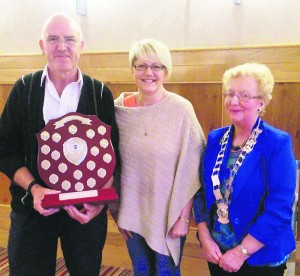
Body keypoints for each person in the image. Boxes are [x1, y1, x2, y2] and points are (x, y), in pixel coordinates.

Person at [0, 13, 119, 276]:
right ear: (41, 45)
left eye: (69, 39)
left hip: (85, 212)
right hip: (33, 208)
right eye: (53, 39)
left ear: (81, 46)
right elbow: (5, 150)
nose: (62, 46)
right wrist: (34, 188)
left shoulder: (100, 93)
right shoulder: (23, 88)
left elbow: (114, 154)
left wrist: (99, 203)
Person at [112, 38, 206, 275]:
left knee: (166, 273)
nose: (148, 73)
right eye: (141, 66)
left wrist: (184, 218)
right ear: (132, 70)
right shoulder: (117, 110)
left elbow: (192, 167)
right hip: (131, 211)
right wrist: (116, 212)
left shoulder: (181, 110)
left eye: (156, 66)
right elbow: (109, 164)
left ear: (166, 71)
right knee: (141, 271)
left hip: (169, 215)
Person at [193, 63, 296, 275]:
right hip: (218, 253)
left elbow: (280, 209)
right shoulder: (215, 138)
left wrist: (241, 252)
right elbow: (201, 192)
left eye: (244, 95)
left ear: (262, 102)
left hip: (259, 257)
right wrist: (204, 236)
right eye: (229, 93)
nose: (233, 101)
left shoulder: (277, 143)